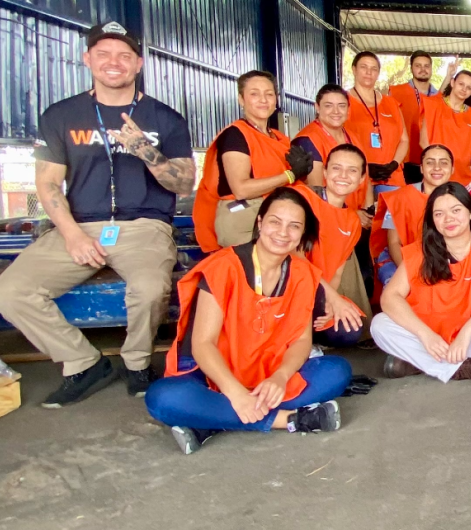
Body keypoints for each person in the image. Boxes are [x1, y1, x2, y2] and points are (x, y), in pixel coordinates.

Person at [0, 22, 195, 408]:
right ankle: (82, 362)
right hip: (79, 224)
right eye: (103, 54)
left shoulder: (165, 118)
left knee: (150, 288)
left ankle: (137, 364)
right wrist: (71, 234)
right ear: (88, 59)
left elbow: (183, 185)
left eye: (123, 55)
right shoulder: (62, 115)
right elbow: (49, 184)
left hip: (143, 227)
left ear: (138, 63)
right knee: (9, 291)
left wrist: (144, 150)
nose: (113, 63)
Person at [147, 188, 352, 454]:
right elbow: (203, 344)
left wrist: (280, 377)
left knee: (337, 372)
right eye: (275, 222)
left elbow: (301, 340)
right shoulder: (223, 266)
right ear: (260, 223)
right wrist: (235, 393)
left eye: (294, 226)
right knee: (163, 398)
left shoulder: (303, 274)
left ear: (303, 234)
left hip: (268, 370)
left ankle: (212, 421)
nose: (282, 232)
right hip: (215, 373)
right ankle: (291, 419)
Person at [371, 183, 471, 382]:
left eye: (456, 210)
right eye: (439, 214)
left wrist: (466, 334)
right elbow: (389, 298)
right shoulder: (419, 250)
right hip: (426, 333)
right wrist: (425, 335)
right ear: (432, 220)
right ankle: (460, 368)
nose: (448, 219)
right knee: (379, 325)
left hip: (466, 329)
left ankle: (417, 363)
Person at [195, 71, 309, 251]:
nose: (263, 100)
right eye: (254, 94)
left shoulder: (280, 139)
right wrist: (291, 175)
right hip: (244, 218)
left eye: (269, 94)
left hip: (274, 215)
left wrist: (303, 173)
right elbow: (241, 189)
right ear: (241, 99)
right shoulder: (236, 135)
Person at [290, 146, 371, 347]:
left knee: (350, 328)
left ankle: (309, 337)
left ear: (361, 179)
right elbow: (295, 257)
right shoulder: (301, 198)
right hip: (287, 289)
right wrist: (333, 298)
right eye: (336, 168)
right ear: (325, 172)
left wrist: (328, 303)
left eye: (352, 170)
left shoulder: (352, 220)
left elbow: (336, 272)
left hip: (317, 291)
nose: (343, 176)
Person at [373, 144, 455, 287]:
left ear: (452, 169)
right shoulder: (400, 197)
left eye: (443, 162)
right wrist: (411, 274)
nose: (437, 167)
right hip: (401, 261)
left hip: (442, 261)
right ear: (422, 168)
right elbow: (393, 243)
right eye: (430, 162)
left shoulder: (459, 199)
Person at [292, 85, 365, 212]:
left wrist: (368, 209)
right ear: (317, 107)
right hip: (330, 213)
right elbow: (318, 192)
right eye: (328, 105)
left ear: (348, 109)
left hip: (356, 214)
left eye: (342, 106)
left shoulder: (352, 136)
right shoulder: (308, 140)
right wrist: (352, 213)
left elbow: (365, 176)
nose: (336, 111)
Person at [345, 51, 409, 189]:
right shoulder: (342, 102)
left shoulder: (391, 103)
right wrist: (363, 166)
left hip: (391, 178)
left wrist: (393, 164)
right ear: (354, 69)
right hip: (356, 179)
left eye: (374, 69)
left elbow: (404, 140)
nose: (369, 72)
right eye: (364, 67)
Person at [420, 69, 471, 185]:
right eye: (461, 84)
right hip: (437, 175)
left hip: (466, 179)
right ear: (452, 83)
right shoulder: (433, 106)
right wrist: (437, 167)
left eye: (469, 87)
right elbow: (423, 142)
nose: (464, 89)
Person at [388, 50, 441, 184]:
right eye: (418, 66)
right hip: (404, 159)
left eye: (426, 66)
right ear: (411, 68)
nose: (423, 69)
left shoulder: (439, 97)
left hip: (432, 161)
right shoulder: (395, 92)